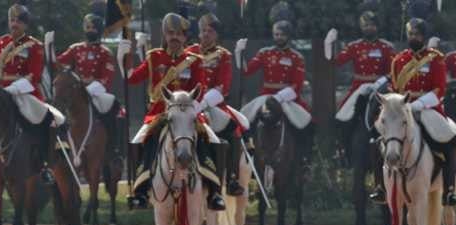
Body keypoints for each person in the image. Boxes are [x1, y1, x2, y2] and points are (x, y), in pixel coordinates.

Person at [124, 13, 225, 211]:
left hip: (187, 113)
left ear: (185, 37)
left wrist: (192, 110)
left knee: (213, 140)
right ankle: (140, 191)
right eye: (171, 33)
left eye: (179, 34)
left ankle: (215, 192)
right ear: (165, 35)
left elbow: (200, 88)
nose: (175, 37)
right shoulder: (154, 57)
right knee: (138, 140)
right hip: (159, 113)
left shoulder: (193, 60)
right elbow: (132, 79)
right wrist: (125, 58)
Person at [0, 3, 61, 185]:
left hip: (24, 92)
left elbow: (34, 76)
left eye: (18, 21)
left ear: (25, 24)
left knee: (45, 118)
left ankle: (45, 164)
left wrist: (11, 90)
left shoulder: (34, 46)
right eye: (12, 20)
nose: (14, 24)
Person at [387, 18, 456, 208]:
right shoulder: (399, 60)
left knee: (449, 140)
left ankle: (449, 191)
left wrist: (419, 103)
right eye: (411, 34)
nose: (414, 37)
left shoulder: (435, 58)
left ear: (424, 36)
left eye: (417, 34)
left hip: (428, 107)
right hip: (403, 108)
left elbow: (439, 89)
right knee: (380, 137)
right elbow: (395, 88)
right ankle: (381, 184)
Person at [326, 11, 397, 204]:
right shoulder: (355, 46)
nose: (368, 28)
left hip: (380, 88)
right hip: (359, 87)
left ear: (377, 26)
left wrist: (381, 81)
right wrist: (329, 45)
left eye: (371, 25)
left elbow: (394, 69)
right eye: (365, 25)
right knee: (342, 116)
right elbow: (337, 61)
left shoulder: (386, 47)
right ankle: (343, 150)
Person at [237, 19, 315, 170]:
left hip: (287, 97)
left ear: (288, 36)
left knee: (306, 123)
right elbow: (247, 71)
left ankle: (305, 159)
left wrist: (278, 98)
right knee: (246, 119)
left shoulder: (296, 57)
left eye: (282, 34)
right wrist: (239, 53)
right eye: (276, 34)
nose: (278, 37)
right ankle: (247, 154)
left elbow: (297, 85)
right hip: (266, 96)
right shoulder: (265, 53)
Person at [188, 13, 250, 197]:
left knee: (234, 129)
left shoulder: (224, 56)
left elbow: (223, 87)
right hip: (189, 102)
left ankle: (232, 178)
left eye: (210, 31)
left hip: (213, 104)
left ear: (216, 35)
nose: (206, 34)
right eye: (203, 30)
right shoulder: (189, 52)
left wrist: (203, 103)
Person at [52, 13, 122, 165]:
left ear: (99, 29)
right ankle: (57, 143)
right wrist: (49, 49)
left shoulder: (105, 52)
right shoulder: (75, 49)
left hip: (97, 90)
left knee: (113, 103)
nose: (90, 30)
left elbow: (106, 78)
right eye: (87, 27)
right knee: (59, 102)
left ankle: (113, 148)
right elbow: (59, 64)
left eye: (93, 27)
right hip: (75, 89)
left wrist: (90, 85)